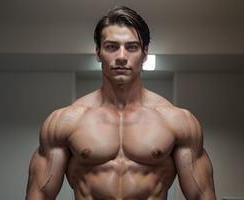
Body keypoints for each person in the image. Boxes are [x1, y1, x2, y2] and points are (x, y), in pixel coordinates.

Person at [25, 6, 216, 200]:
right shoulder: (65, 121)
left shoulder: (177, 121)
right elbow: (40, 193)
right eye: (111, 47)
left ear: (145, 54)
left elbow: (202, 195)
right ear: (98, 53)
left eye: (132, 47)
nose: (122, 57)